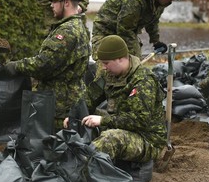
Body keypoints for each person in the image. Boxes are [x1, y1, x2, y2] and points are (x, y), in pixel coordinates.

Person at [0, 0, 91, 131]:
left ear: (66, 2)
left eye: (55, 1)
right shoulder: (77, 26)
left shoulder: (67, 31)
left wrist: (16, 66)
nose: (51, 5)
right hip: (68, 101)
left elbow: (44, 64)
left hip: (59, 107)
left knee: (52, 148)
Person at [65, 35, 167, 163]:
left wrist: (103, 120)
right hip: (121, 127)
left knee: (110, 139)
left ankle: (80, 165)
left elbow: (139, 121)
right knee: (84, 120)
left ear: (120, 59)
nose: (103, 67)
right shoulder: (109, 75)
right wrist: (74, 116)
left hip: (147, 139)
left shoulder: (143, 81)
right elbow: (90, 97)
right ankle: (73, 157)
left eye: (106, 63)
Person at [91, 0, 183, 59]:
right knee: (107, 63)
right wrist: (133, 56)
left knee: (132, 64)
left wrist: (156, 41)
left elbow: (153, 21)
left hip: (126, 30)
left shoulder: (159, 1)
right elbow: (125, 29)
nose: (171, 1)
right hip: (105, 31)